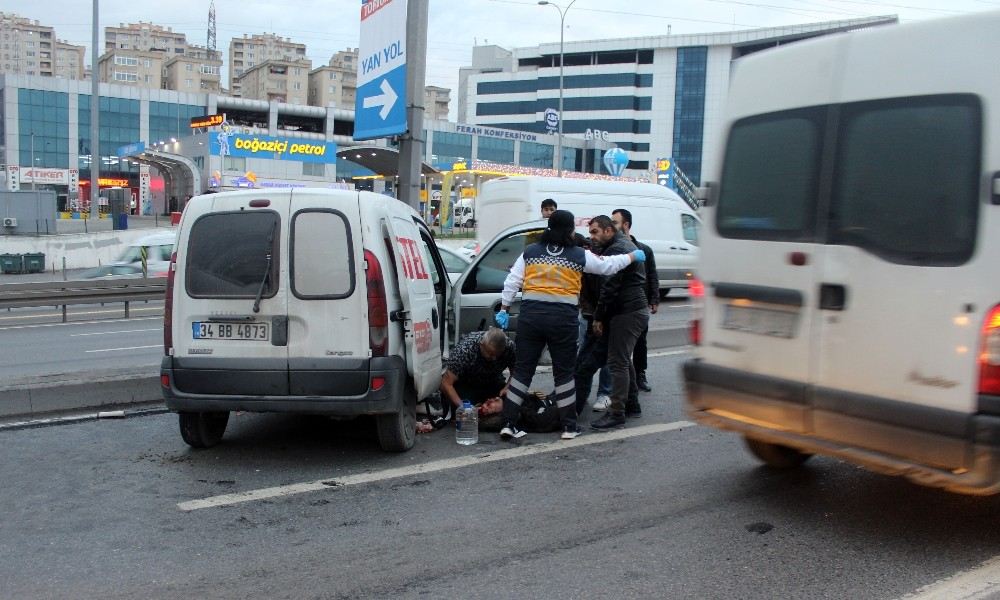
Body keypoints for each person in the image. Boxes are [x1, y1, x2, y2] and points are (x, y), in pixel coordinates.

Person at [495, 209, 645, 441]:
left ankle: (508, 423)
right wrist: (633, 257)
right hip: (562, 322)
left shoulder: (530, 252)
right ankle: (569, 426)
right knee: (564, 374)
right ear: (569, 230)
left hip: (531, 320)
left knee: (523, 372)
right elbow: (607, 266)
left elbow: (512, 282)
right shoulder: (577, 254)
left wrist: (504, 309)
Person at [590, 213, 650, 430]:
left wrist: (598, 317)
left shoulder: (617, 249)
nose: (592, 237)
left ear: (608, 230)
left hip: (627, 311)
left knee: (617, 362)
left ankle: (617, 412)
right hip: (634, 309)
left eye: (595, 232)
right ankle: (632, 404)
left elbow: (609, 287)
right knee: (624, 359)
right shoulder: (624, 243)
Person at [612, 208, 659, 393]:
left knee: (640, 343)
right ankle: (624, 383)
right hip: (619, 306)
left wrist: (654, 299)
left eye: (615, 222)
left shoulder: (643, 250)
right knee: (620, 350)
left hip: (638, 303)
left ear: (626, 225)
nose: (612, 226)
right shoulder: (612, 249)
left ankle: (640, 375)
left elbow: (652, 275)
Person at [439, 328, 515, 420]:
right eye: (490, 354)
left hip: (493, 381)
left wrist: (507, 387)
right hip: (467, 384)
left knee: (514, 401)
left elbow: (517, 372)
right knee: (462, 410)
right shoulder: (465, 350)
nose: (494, 358)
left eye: (497, 355)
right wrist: (463, 406)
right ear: (481, 345)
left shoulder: (509, 347)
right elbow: (446, 383)